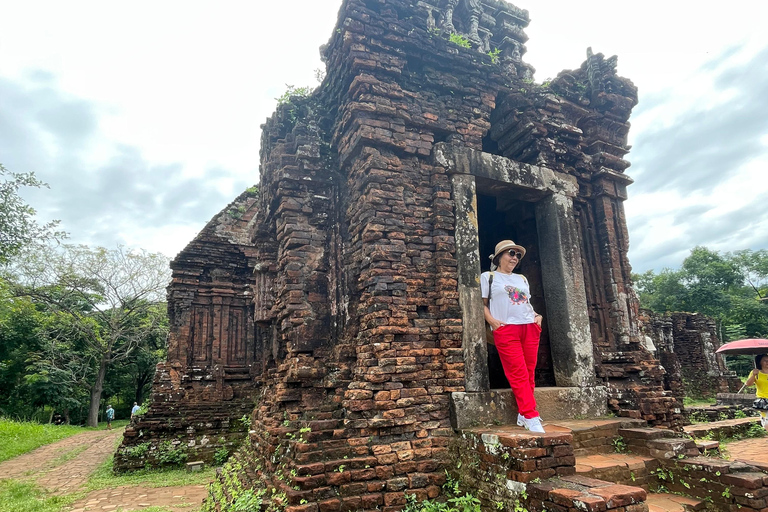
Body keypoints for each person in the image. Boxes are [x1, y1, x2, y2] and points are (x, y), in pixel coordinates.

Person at [481, 240, 545, 433]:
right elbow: (482, 304)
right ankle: (531, 415)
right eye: (511, 253)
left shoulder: (522, 279)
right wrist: (492, 322)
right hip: (506, 328)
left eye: (518, 255)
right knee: (517, 373)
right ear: (500, 256)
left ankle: (524, 413)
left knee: (529, 371)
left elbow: (526, 303)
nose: (515, 258)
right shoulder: (489, 277)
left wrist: (537, 316)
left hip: (529, 326)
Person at [745, 354, 768, 431]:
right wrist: (753, 375)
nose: (767, 362)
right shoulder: (756, 373)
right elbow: (748, 384)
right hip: (763, 400)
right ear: (760, 362)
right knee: (766, 423)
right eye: (765, 360)